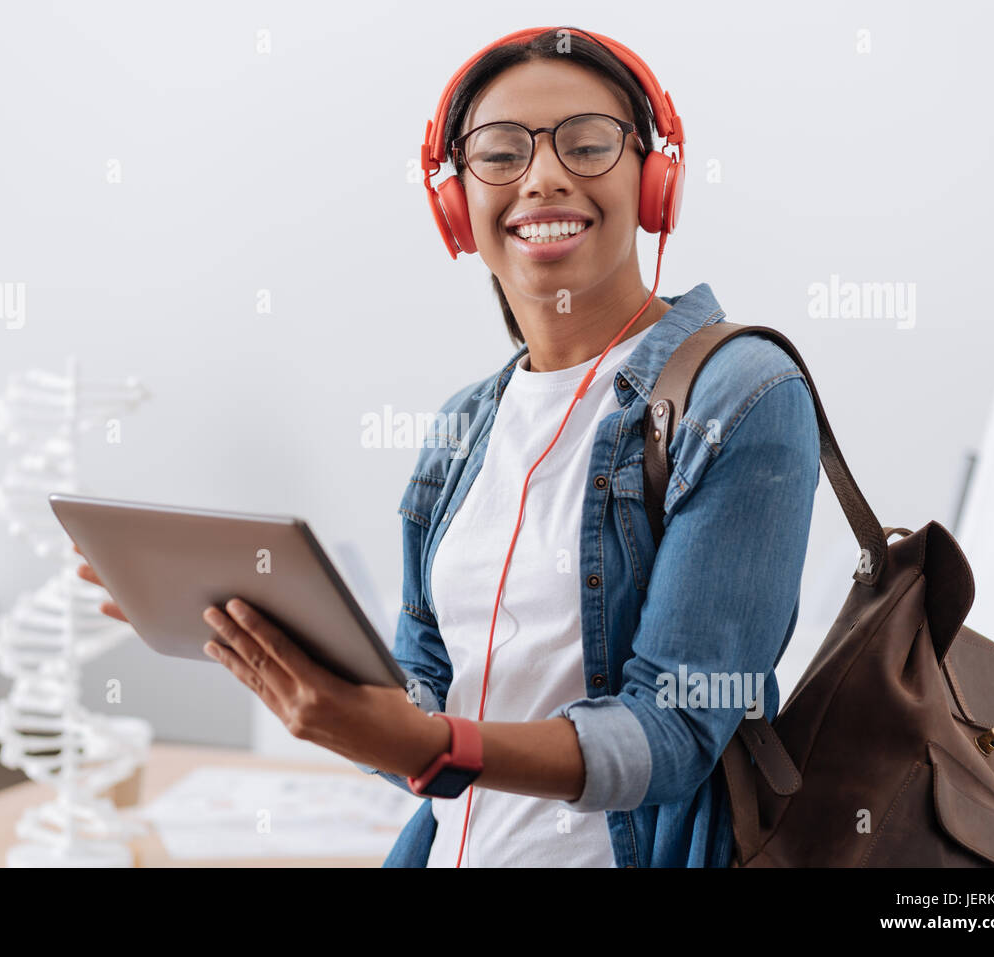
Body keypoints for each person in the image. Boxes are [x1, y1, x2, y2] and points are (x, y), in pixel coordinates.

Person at [78, 26, 821, 868]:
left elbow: (677, 729)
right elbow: (420, 712)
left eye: (587, 144)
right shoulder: (465, 425)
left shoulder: (744, 392)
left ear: (655, 181)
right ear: (455, 202)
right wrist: (285, 667)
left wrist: (438, 745)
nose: (543, 177)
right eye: (499, 153)